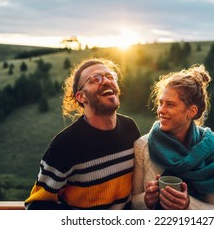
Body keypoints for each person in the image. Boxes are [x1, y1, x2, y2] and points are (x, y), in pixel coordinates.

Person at [25, 58, 141, 210]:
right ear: (81, 97)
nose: (106, 81)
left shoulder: (130, 128)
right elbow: (35, 206)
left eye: (110, 76)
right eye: (95, 79)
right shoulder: (64, 145)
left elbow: (138, 186)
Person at [132, 64, 214, 210]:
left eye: (170, 105)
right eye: (161, 103)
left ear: (191, 111)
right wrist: (146, 200)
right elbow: (133, 204)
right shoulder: (143, 146)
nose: (161, 110)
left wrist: (187, 205)